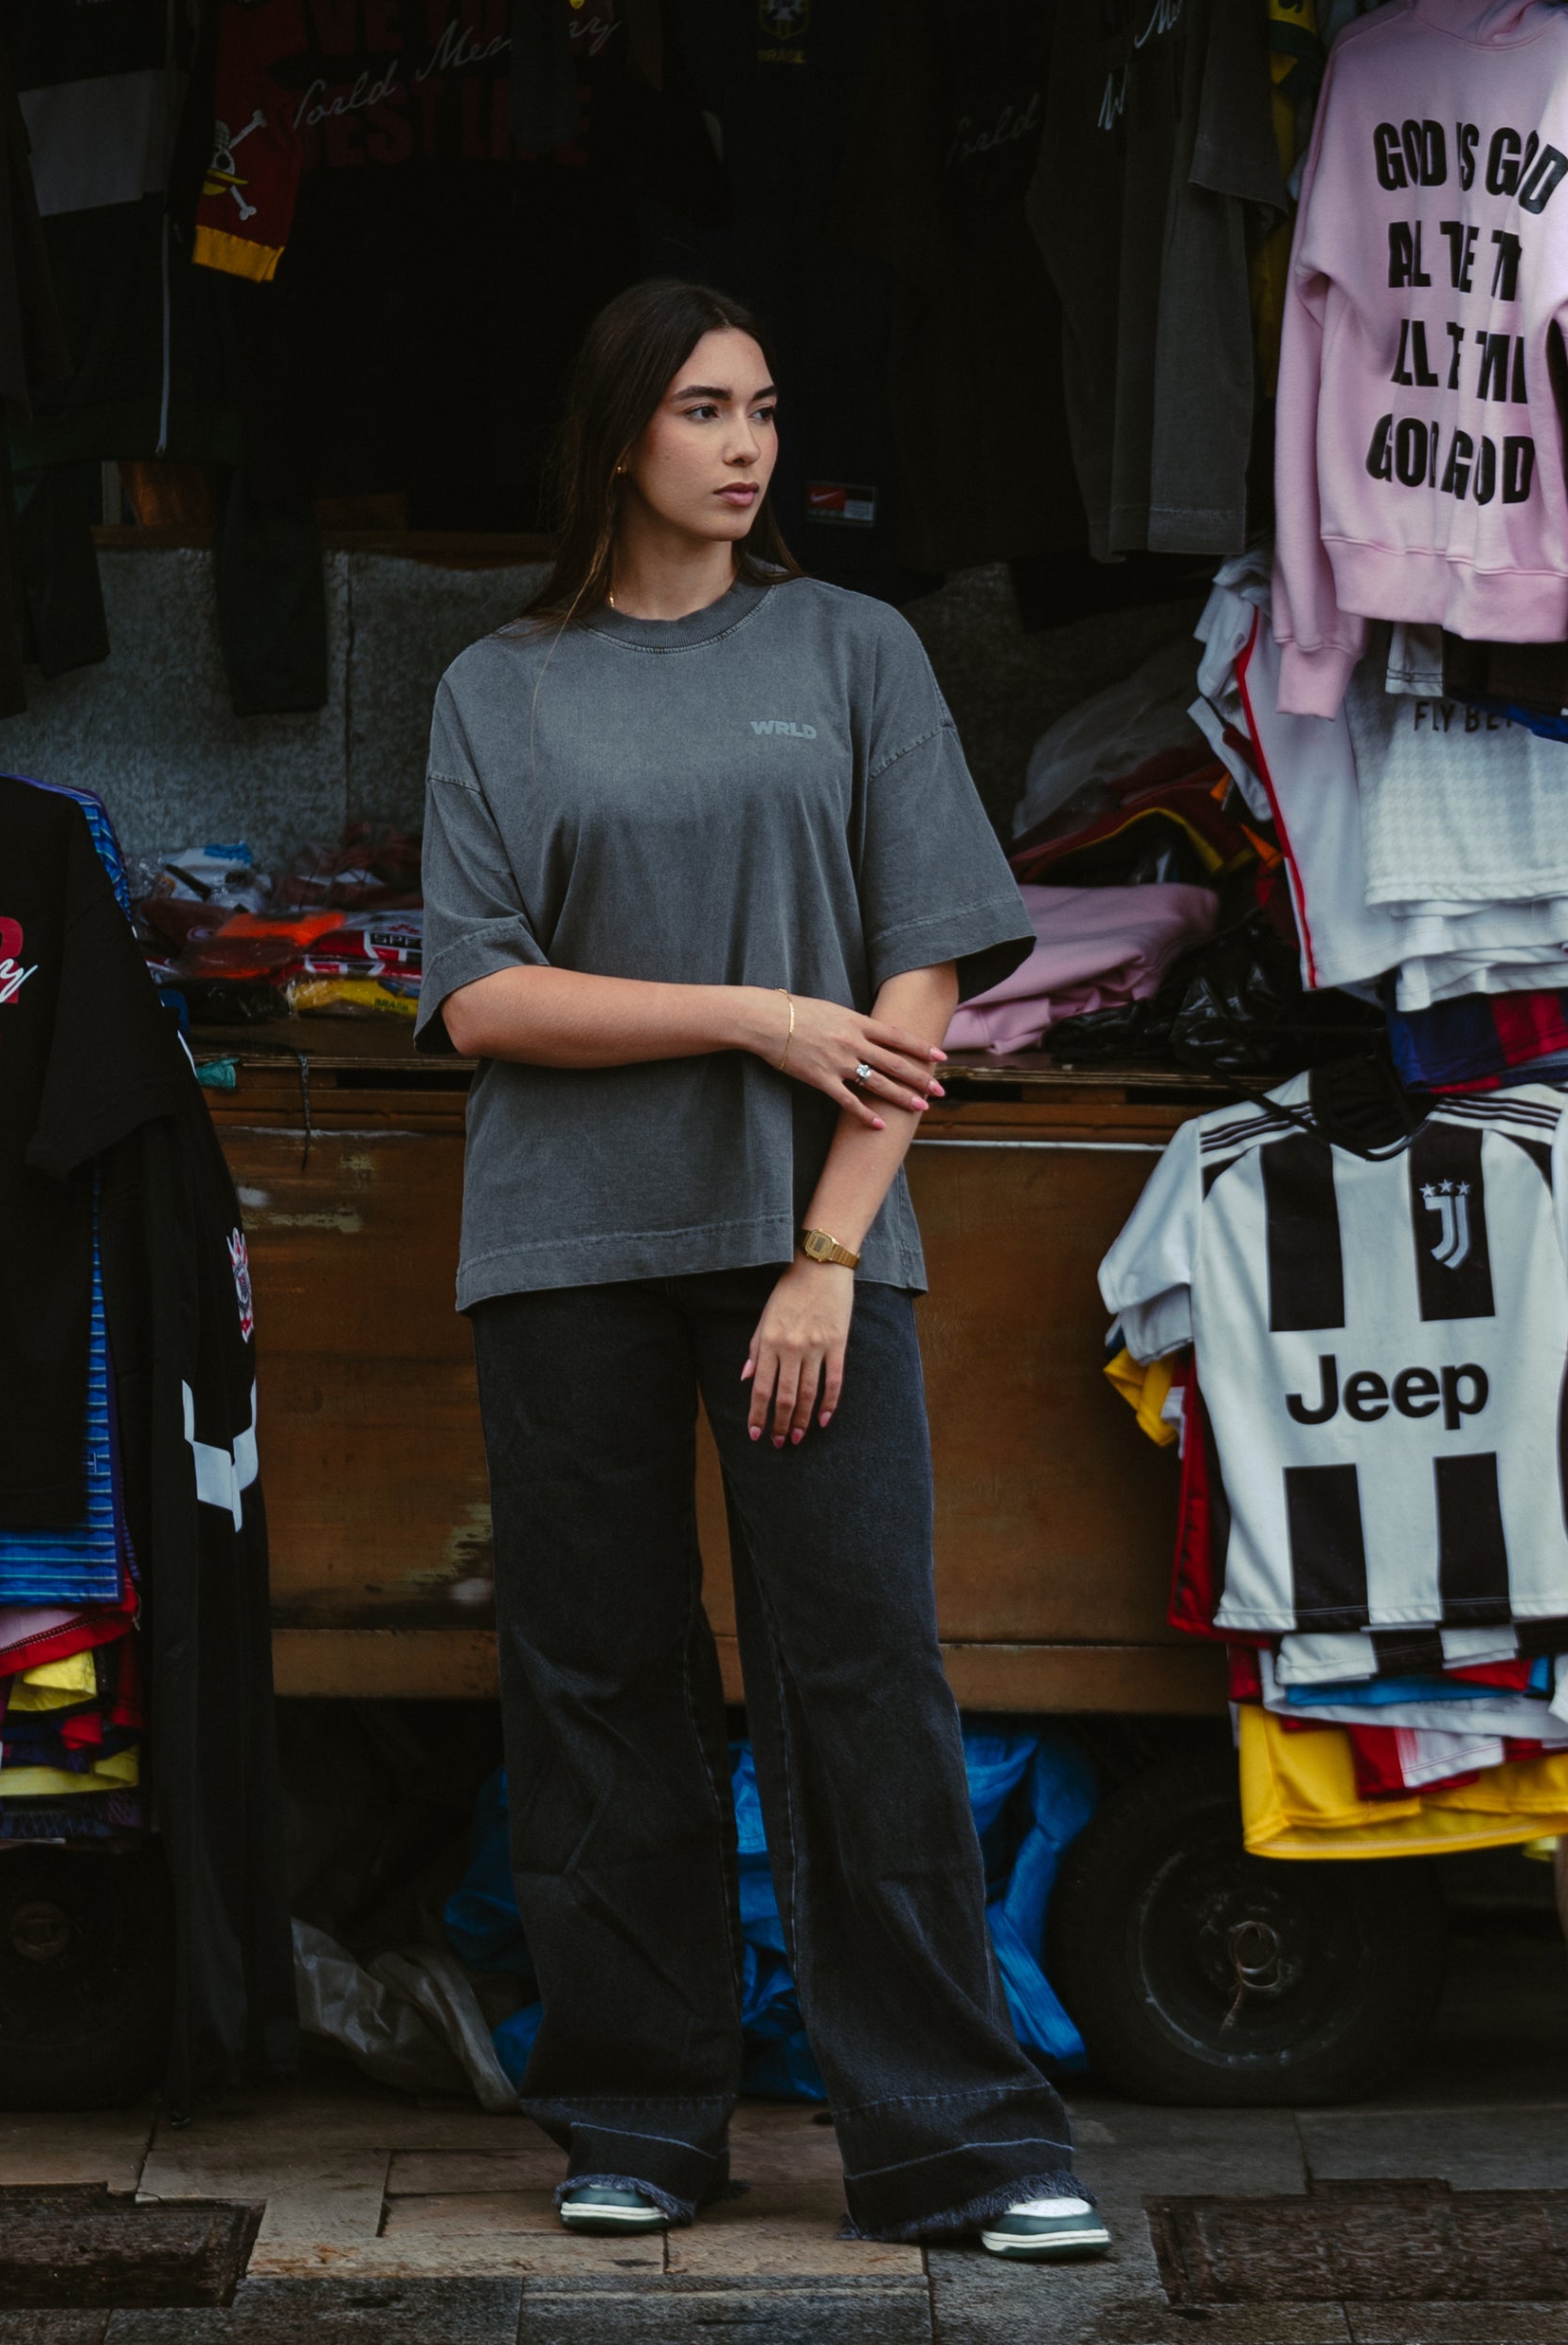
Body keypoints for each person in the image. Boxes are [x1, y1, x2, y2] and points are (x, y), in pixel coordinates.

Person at [415, 277, 1108, 2262]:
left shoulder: (850, 646)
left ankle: (959, 2141)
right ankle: (637, 2113)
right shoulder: (498, 687)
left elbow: (923, 971)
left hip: (809, 1248)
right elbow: (479, 995)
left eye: (765, 409)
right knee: (594, 1674)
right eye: (704, 409)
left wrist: (824, 1249)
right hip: (562, 1246)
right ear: (617, 433)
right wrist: (751, 1014)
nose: (745, 446)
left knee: (862, 1666)